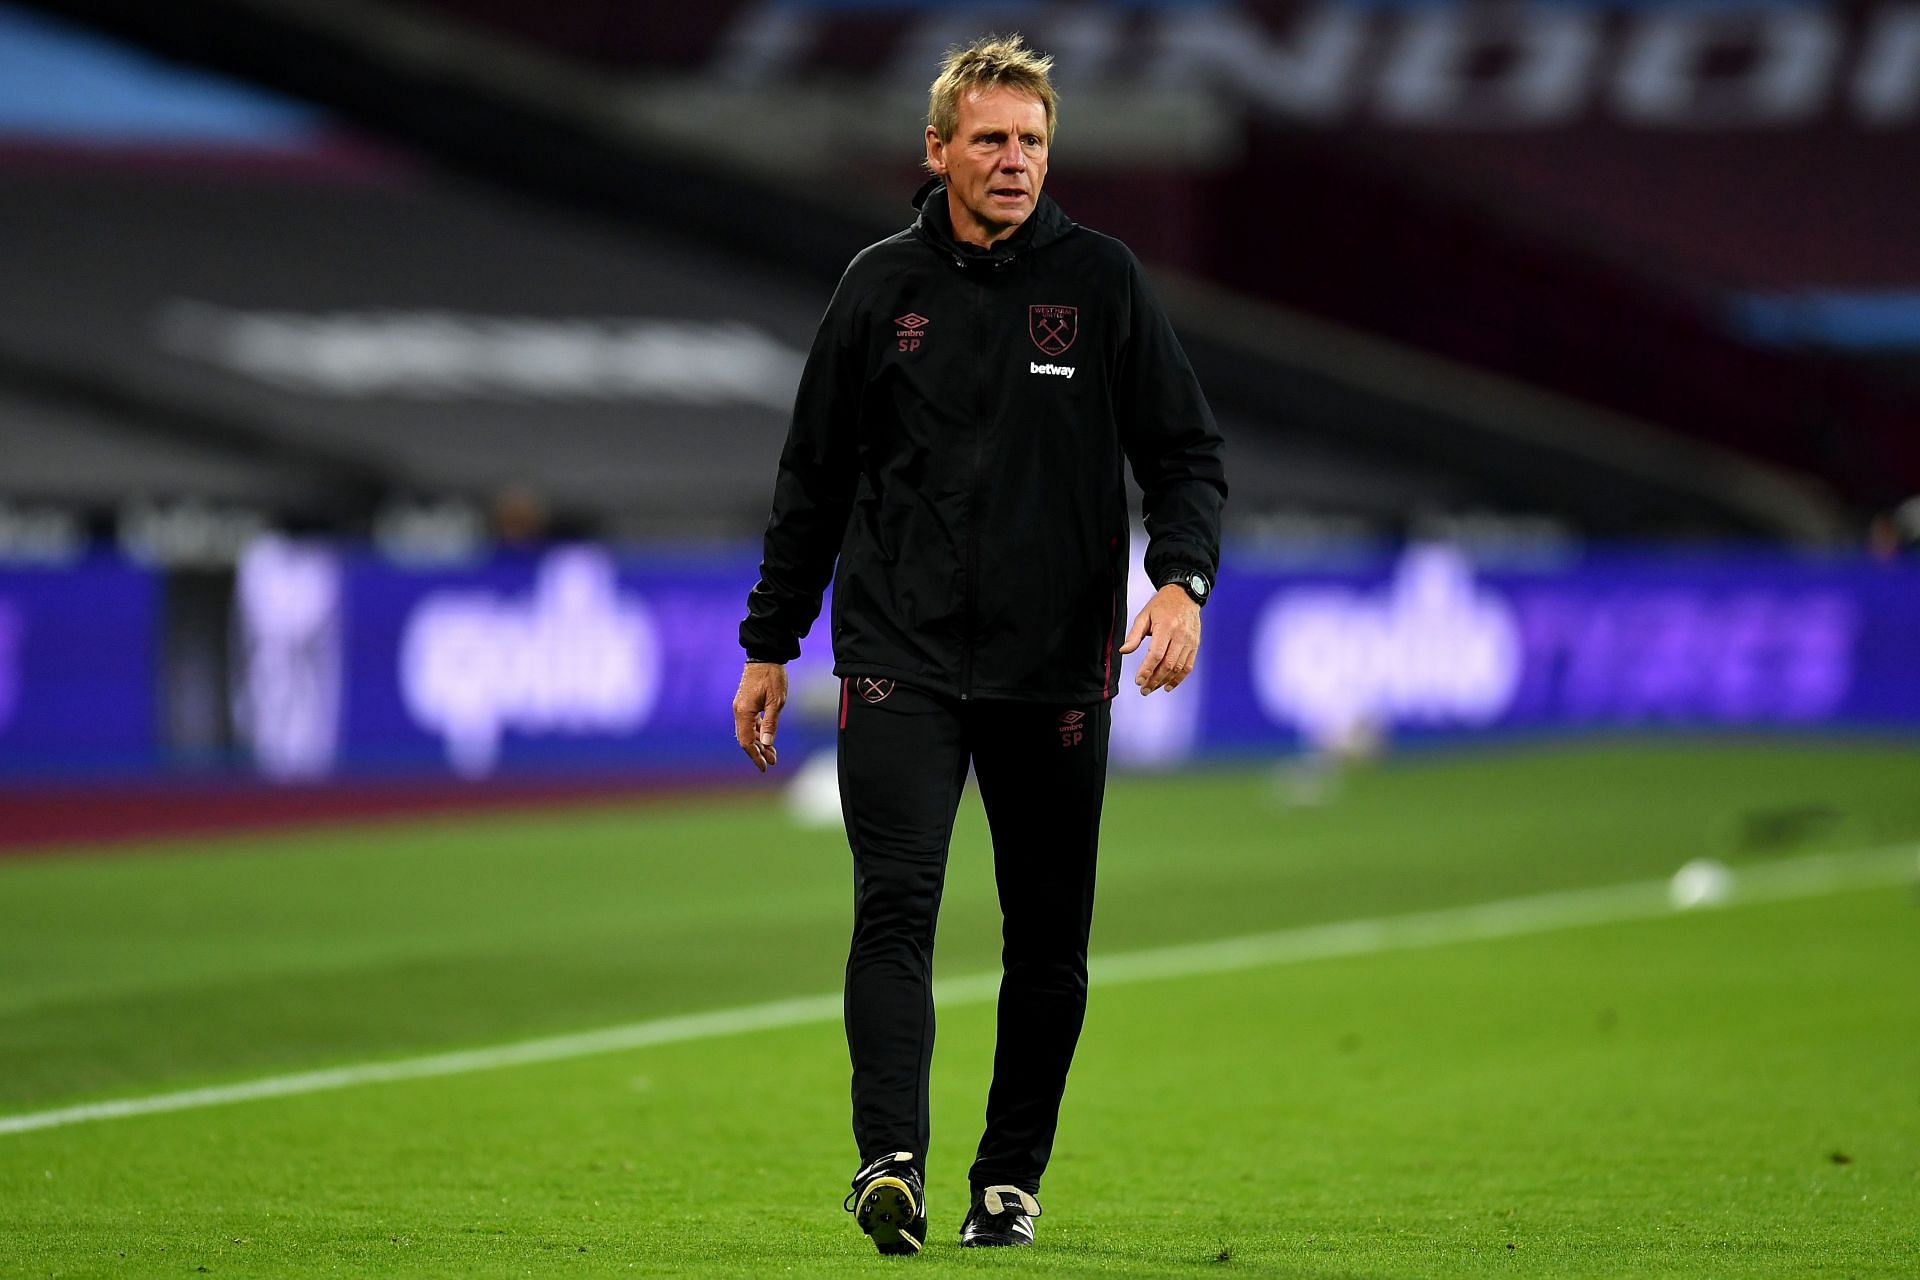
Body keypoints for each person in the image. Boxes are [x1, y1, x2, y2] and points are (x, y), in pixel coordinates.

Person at [733, 32, 1226, 1255]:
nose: (1015, 161)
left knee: (1047, 942)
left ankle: (1005, 1181)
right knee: (893, 906)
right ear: (939, 148)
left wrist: (1182, 582)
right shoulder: (876, 289)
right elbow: (813, 476)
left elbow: (1185, 453)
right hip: (899, 658)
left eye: (1034, 143)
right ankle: (886, 1159)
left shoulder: (1103, 284)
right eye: (993, 139)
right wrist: (769, 640)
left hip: (1056, 667)